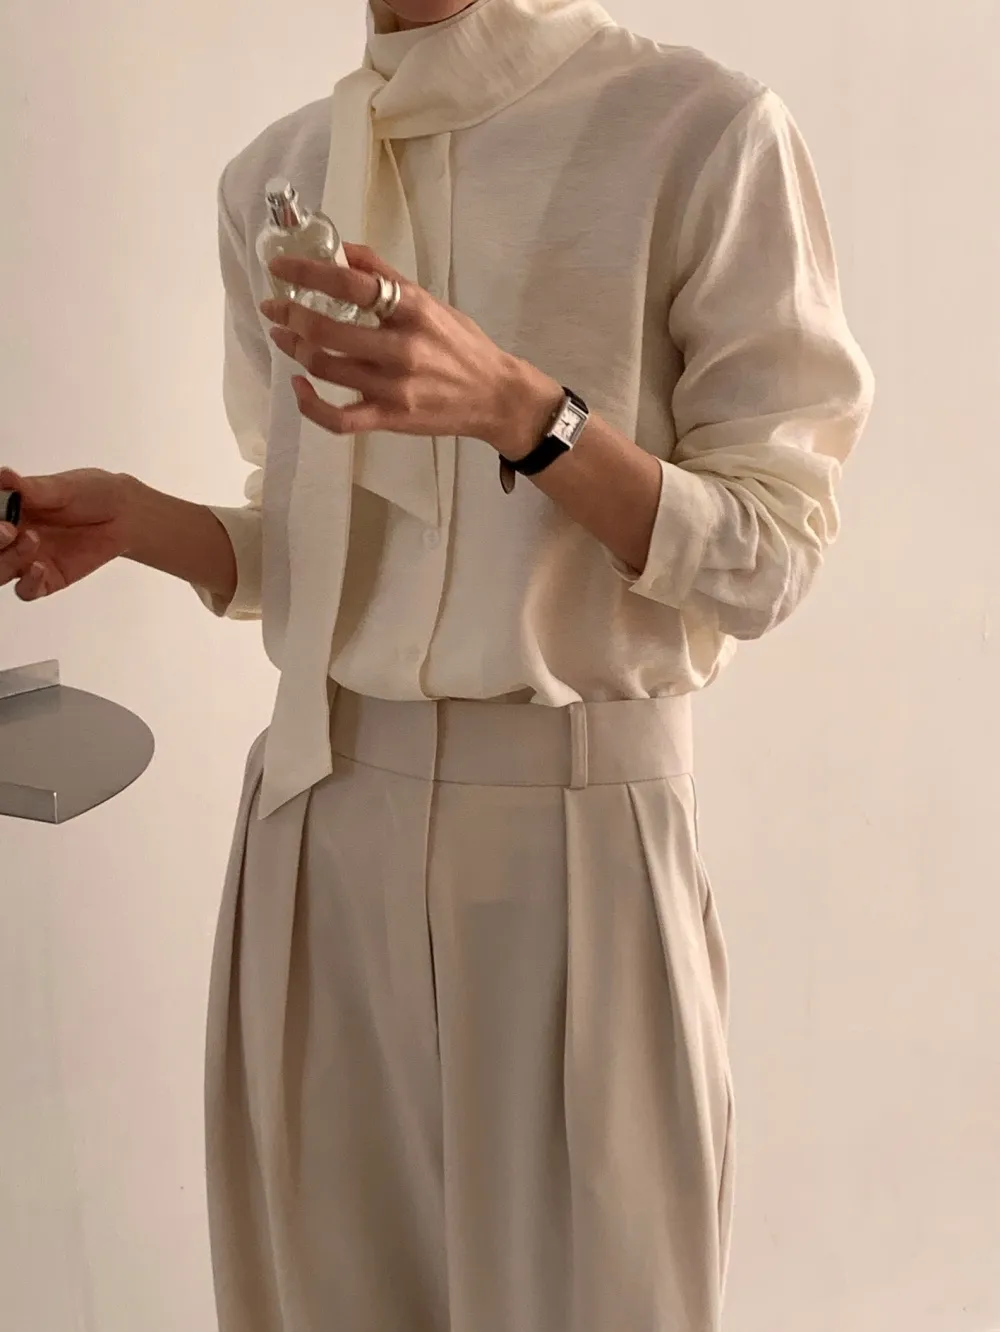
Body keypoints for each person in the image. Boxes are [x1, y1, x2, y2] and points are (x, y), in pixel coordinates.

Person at [0, 0, 875, 1327]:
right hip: (315, 826)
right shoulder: (275, 177)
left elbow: (769, 555)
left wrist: (526, 413)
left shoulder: (701, 135)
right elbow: (323, 553)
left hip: (573, 836)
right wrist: (143, 523)